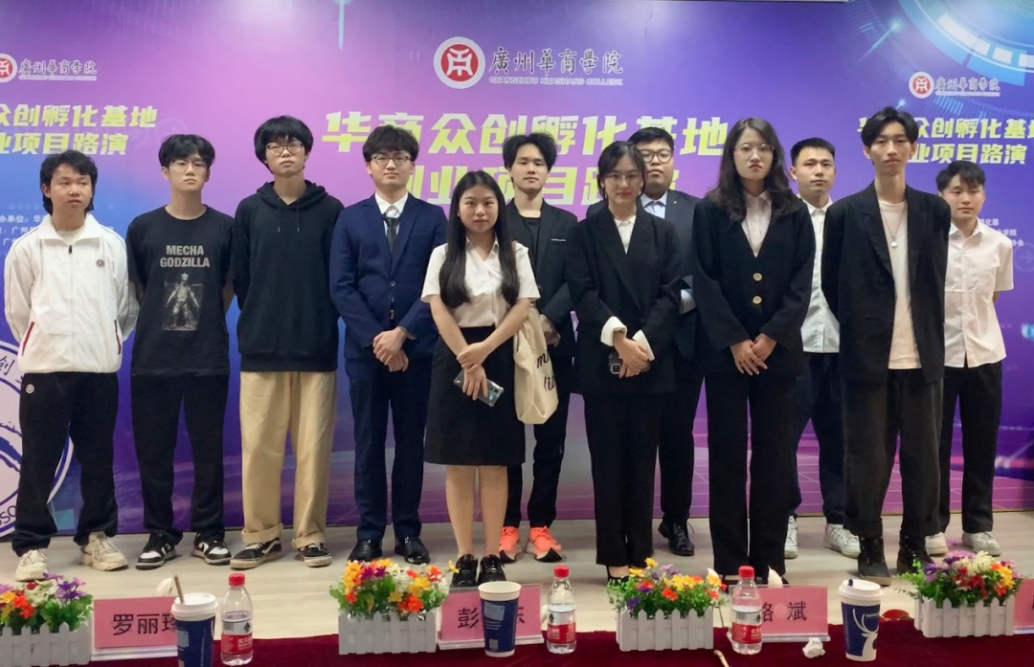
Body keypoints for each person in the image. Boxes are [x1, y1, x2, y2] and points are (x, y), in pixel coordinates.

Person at [823, 107, 951, 585]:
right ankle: (870, 544)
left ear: (913, 148)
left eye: (900, 140)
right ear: (867, 149)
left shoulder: (934, 211)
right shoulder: (845, 213)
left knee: (923, 458)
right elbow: (831, 284)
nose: (891, 149)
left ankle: (914, 544)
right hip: (867, 358)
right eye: (881, 141)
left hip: (923, 357)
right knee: (867, 459)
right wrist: (864, 330)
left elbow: (936, 279)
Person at [691, 119, 814, 584]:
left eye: (763, 147)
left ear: (775, 155)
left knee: (774, 458)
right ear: (732, 155)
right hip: (727, 356)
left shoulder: (794, 211)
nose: (755, 156)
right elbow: (704, 279)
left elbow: (802, 281)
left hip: (778, 355)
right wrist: (736, 340)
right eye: (745, 148)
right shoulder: (710, 210)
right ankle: (729, 563)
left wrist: (772, 336)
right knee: (726, 457)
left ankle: (769, 562)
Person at [5, 150, 137, 581]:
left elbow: (125, 308)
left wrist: (105, 341)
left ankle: (96, 537)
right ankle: (31, 545)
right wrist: (45, 342)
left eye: (82, 181)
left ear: (92, 189)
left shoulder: (110, 245)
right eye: (64, 182)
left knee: (98, 458)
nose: (74, 190)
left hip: (98, 371)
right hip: (45, 372)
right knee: (38, 460)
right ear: (47, 189)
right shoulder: (27, 248)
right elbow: (18, 312)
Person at [230, 116, 344, 570]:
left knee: (313, 450)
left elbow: (338, 278)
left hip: (316, 347)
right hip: (261, 347)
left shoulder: (331, 210)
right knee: (259, 448)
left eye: (293, 144)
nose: (285, 152)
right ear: (264, 156)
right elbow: (242, 278)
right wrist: (264, 318)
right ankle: (261, 536)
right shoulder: (249, 210)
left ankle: (310, 535)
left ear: (307, 152)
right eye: (275, 146)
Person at [330, 125, 447, 564]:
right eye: (382, 157)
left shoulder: (432, 218)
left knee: (411, 445)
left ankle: (409, 532)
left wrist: (403, 333)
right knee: (368, 443)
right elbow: (341, 286)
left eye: (400, 157)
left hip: (417, 352)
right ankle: (369, 533)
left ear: (412, 165)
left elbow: (440, 283)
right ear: (369, 166)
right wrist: (378, 339)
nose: (391, 164)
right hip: (366, 354)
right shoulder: (350, 218)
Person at [567, 141, 680, 581]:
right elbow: (583, 293)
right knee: (608, 463)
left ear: (643, 180)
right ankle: (614, 554)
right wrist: (619, 340)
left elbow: (670, 295)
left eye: (632, 175)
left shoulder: (663, 232)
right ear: (601, 181)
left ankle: (642, 554)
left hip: (649, 362)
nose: (624, 184)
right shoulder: (585, 232)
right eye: (615, 176)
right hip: (603, 361)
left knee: (643, 462)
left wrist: (641, 345)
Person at [421, 171, 539, 587]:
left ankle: (491, 555)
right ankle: (464, 556)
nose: (480, 210)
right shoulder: (443, 254)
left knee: (494, 461)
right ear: (457, 209)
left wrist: (485, 351)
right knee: (458, 463)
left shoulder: (516, 253)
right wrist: (468, 360)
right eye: (470, 202)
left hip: (499, 352)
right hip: (454, 356)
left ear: (498, 208)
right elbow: (438, 310)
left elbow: (522, 306)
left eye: (488, 202)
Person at [126, 135, 234, 570]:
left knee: (209, 451)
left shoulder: (225, 228)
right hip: (153, 358)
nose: (190, 170)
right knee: (154, 452)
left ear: (208, 172)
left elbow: (227, 287)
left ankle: (209, 533)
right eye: (181, 162)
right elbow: (139, 288)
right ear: (165, 170)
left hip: (207, 357)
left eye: (199, 163)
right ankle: (160, 533)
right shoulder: (143, 227)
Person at [927, 160, 1012, 557]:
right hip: (938, 356)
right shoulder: (928, 242)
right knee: (935, 445)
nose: (966, 198)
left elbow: (993, 297)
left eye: (973, 191)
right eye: (957, 191)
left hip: (985, 353)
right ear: (941, 196)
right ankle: (933, 524)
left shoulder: (999, 244)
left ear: (984, 196)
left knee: (981, 442)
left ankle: (978, 526)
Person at [499, 133, 576, 564]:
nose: (531, 169)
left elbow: (577, 279)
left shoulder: (568, 223)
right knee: (508, 441)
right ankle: (507, 525)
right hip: (506, 347)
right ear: (509, 169)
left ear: (548, 171)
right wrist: (522, 322)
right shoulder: (495, 219)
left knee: (551, 441)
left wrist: (550, 319)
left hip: (555, 344)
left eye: (539, 163)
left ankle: (542, 525)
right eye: (523, 162)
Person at [785, 138, 859, 560]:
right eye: (809, 164)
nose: (818, 171)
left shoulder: (851, 219)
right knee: (783, 440)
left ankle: (839, 523)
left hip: (842, 347)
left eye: (826, 164)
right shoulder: (782, 219)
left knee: (841, 440)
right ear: (792, 172)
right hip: (792, 347)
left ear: (835, 171)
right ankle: (784, 519)